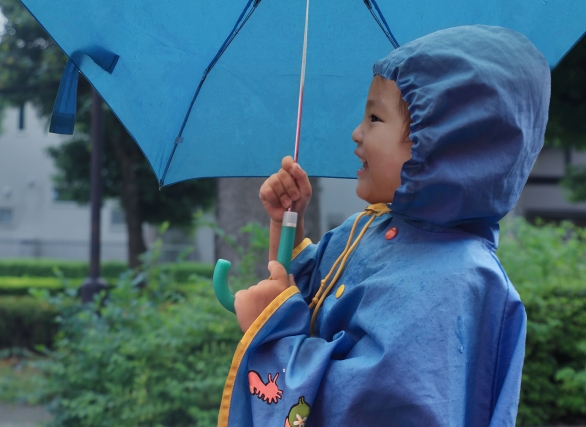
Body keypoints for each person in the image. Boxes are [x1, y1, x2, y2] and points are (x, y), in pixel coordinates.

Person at [218, 25, 550, 427]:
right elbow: (304, 298)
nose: (356, 134)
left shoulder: (454, 279)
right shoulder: (370, 227)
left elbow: (366, 404)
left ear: (440, 140)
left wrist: (271, 335)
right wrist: (288, 223)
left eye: (375, 118)